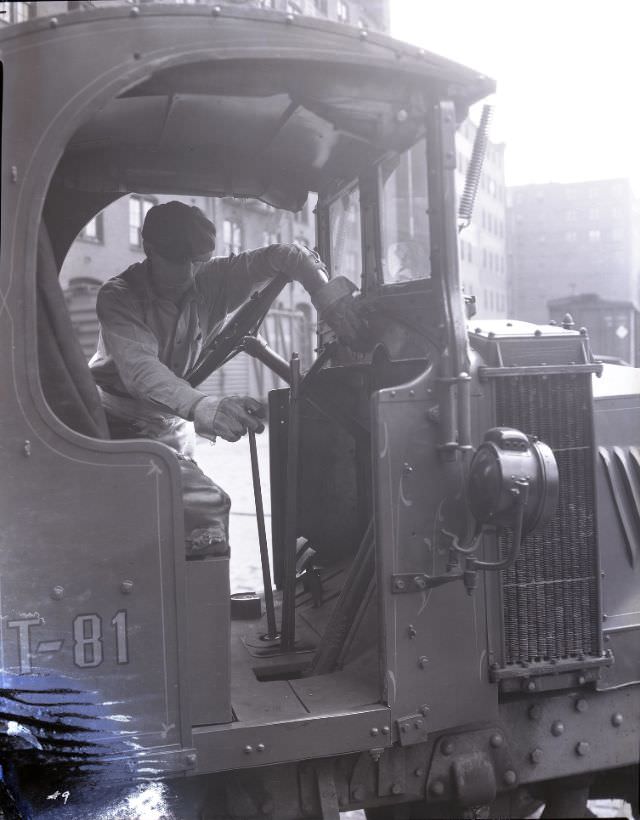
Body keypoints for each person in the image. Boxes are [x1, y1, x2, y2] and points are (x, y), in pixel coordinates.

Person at [90, 200, 362, 557]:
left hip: (175, 422)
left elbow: (292, 256)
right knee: (141, 532)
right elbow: (141, 371)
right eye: (177, 262)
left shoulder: (214, 277)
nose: (189, 273)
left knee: (184, 523)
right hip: (117, 426)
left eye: (198, 261)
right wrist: (202, 405)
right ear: (149, 249)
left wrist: (327, 300)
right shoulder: (119, 296)